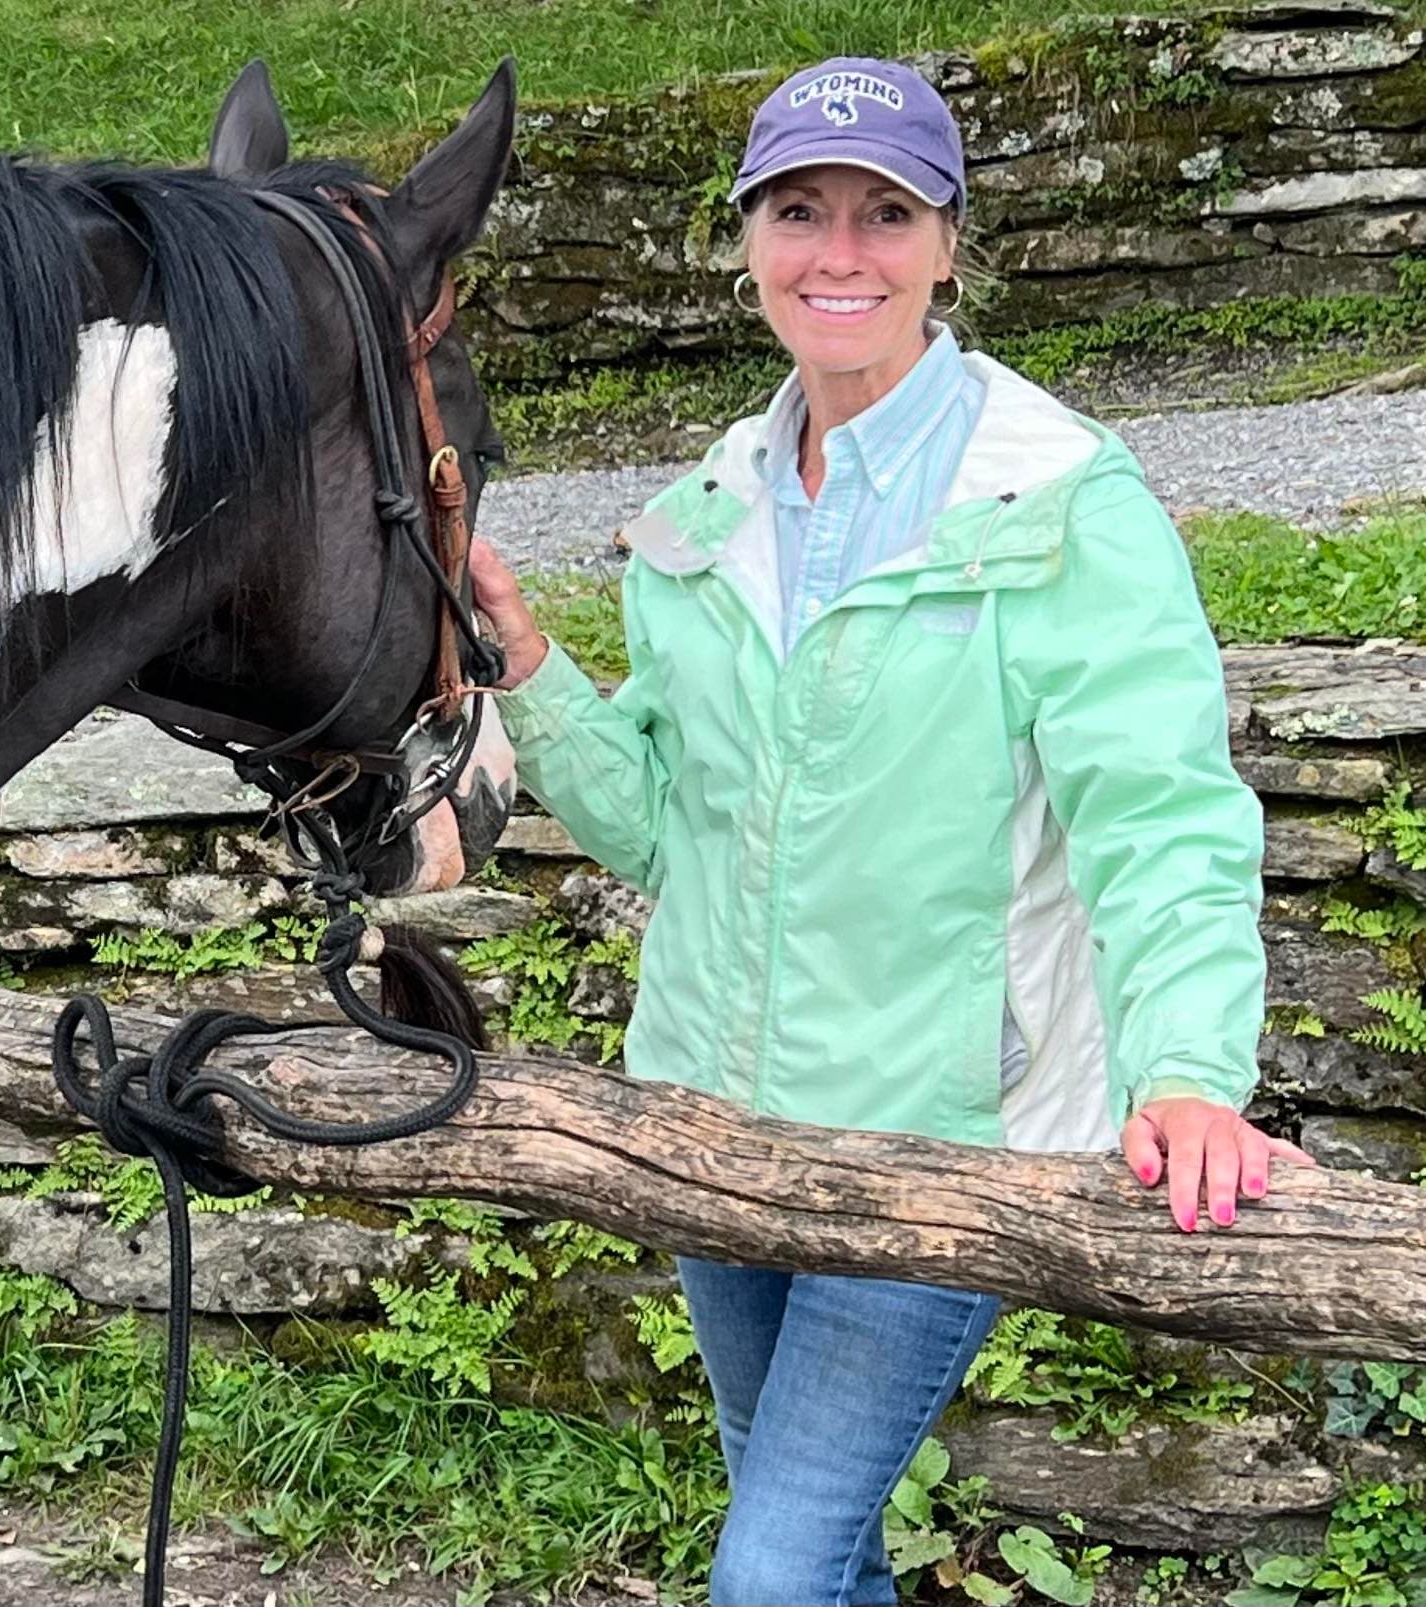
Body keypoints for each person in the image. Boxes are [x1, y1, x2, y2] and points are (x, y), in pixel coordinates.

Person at [468, 56, 1314, 1607]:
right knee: (819, 1546)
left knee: (772, 1578)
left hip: (934, 1138)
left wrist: (1188, 1073)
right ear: (745, 238)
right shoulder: (702, 509)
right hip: (710, 1129)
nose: (838, 253)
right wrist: (527, 664)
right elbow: (670, 834)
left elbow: (1165, 817)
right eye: (799, 210)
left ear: (947, 245)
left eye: (885, 213)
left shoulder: (1060, 504)